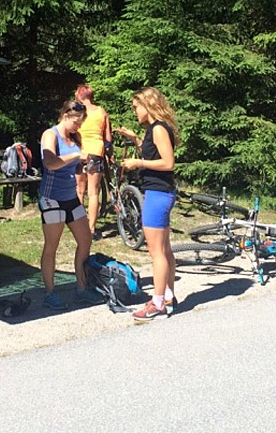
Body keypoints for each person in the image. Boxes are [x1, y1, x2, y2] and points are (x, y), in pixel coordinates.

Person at [113, 87, 179, 321]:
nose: (135, 112)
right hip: (160, 192)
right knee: (165, 249)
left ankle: (157, 302)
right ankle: (168, 296)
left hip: (158, 194)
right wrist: (135, 140)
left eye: (136, 107)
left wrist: (137, 162)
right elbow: (153, 154)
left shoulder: (159, 128)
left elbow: (168, 163)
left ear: (147, 105)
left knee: (156, 252)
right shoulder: (154, 129)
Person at [38, 100, 105, 309]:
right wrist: (76, 155)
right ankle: (50, 292)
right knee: (52, 246)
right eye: (76, 122)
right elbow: (50, 163)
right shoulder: (50, 135)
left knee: (85, 240)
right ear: (65, 116)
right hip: (52, 198)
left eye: (81, 122)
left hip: (71, 197)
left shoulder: (75, 137)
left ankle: (82, 288)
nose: (78, 126)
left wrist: (84, 167)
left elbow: (73, 168)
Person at [74, 83, 112, 240]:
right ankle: (91, 229)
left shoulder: (78, 112)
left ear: (79, 96)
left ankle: (78, 226)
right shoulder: (102, 112)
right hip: (96, 153)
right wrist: (109, 153)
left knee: (79, 191)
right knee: (94, 193)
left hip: (80, 153)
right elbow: (108, 138)